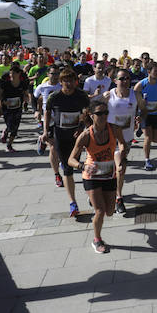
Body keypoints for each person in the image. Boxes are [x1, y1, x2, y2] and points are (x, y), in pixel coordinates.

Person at [68, 101, 126, 253]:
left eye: (106, 113)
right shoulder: (86, 135)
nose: (104, 116)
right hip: (91, 176)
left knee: (110, 211)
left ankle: (93, 199)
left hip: (109, 175)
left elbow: (122, 144)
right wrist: (82, 166)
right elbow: (70, 160)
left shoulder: (114, 129)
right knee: (100, 211)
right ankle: (97, 240)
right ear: (91, 115)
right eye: (99, 113)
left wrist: (120, 157)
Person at [44, 68, 90, 217]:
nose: (69, 84)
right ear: (61, 82)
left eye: (71, 81)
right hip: (61, 136)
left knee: (82, 166)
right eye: (66, 81)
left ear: (75, 82)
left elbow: (86, 112)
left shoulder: (81, 95)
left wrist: (81, 127)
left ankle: (91, 193)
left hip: (77, 137)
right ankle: (73, 203)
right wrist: (45, 131)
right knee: (67, 169)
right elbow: (47, 112)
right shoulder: (54, 96)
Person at [102, 68, 138, 214]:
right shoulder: (108, 95)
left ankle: (115, 194)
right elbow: (95, 112)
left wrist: (138, 120)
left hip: (127, 138)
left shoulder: (135, 95)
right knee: (117, 168)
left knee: (119, 169)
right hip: (110, 138)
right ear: (115, 80)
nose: (125, 81)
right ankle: (117, 197)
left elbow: (140, 110)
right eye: (122, 78)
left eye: (127, 78)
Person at [135, 62, 157, 171]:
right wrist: (141, 102)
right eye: (155, 71)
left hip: (156, 113)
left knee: (156, 139)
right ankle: (147, 160)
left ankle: (141, 129)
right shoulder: (142, 84)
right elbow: (135, 92)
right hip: (145, 113)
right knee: (148, 138)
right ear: (149, 72)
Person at [34, 66, 63, 185]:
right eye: (53, 74)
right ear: (48, 74)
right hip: (48, 120)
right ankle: (57, 175)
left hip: (61, 120)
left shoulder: (62, 86)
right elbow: (35, 98)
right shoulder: (42, 87)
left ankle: (42, 140)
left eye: (57, 74)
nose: (55, 76)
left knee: (61, 146)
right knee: (53, 148)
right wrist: (36, 110)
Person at [0, 62, 30, 152]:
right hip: (7, 108)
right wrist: (1, 104)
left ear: (19, 74)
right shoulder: (5, 84)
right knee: (10, 124)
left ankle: (9, 145)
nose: (12, 75)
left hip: (18, 107)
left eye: (14, 73)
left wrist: (26, 99)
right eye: (11, 73)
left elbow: (26, 94)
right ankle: (6, 131)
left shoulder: (22, 84)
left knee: (16, 127)